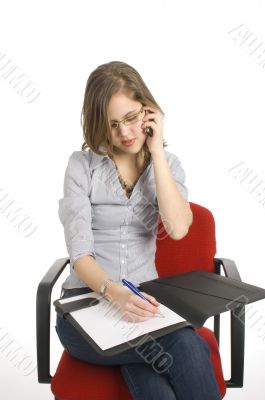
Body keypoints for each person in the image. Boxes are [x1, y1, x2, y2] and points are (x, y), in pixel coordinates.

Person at [56, 60, 222, 400]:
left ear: (148, 110)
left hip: (145, 308)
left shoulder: (167, 165)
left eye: (131, 118)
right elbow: (80, 256)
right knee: (188, 347)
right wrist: (115, 293)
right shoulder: (81, 166)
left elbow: (177, 228)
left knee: (157, 390)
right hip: (85, 308)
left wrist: (156, 151)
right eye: (112, 124)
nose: (125, 133)